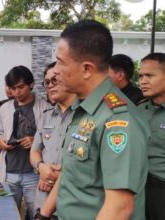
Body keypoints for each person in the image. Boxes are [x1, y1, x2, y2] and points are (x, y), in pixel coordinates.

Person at [36, 20, 148, 220]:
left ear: (87, 69)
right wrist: (43, 215)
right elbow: (70, 173)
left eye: (61, 62)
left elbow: (119, 207)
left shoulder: (118, 120)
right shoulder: (83, 110)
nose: (55, 70)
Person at [0, 65, 50, 219]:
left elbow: (55, 141)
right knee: (6, 215)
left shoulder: (46, 108)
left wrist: (36, 141)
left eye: (21, 87)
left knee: (37, 214)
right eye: (13, 88)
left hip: (34, 174)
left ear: (31, 84)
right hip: (9, 173)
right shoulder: (5, 108)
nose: (16, 92)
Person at [30, 62, 76, 212]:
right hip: (43, 197)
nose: (50, 85)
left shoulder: (85, 115)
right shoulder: (46, 116)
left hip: (70, 202)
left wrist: (54, 177)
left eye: (54, 80)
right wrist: (41, 167)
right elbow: (35, 151)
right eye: (47, 82)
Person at [138, 53, 165, 220]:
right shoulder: (137, 110)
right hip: (137, 189)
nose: (142, 81)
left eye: (150, 75)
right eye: (140, 76)